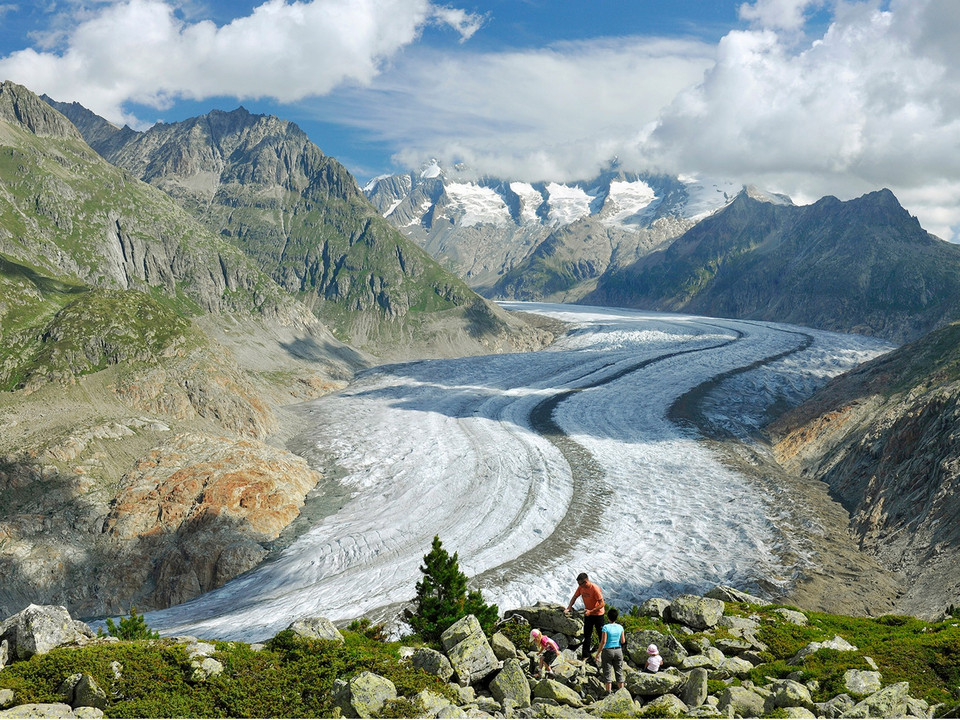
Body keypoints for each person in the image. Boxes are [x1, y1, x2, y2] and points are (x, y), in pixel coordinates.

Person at [564, 572, 605, 662]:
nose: (579, 586)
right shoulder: (581, 588)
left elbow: (602, 604)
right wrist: (569, 607)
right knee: (587, 635)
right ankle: (586, 656)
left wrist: (591, 611)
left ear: (586, 581)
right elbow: (575, 597)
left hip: (598, 615)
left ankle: (604, 655)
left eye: (580, 584)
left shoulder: (595, 589)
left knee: (601, 636)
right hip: (588, 614)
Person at [593, 607, 625, 693]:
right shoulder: (620, 627)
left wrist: (598, 653)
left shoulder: (605, 627)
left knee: (607, 671)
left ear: (608, 617)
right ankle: (622, 692)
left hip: (608, 650)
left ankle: (608, 693)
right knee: (619, 671)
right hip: (618, 650)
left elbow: (603, 641)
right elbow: (623, 641)